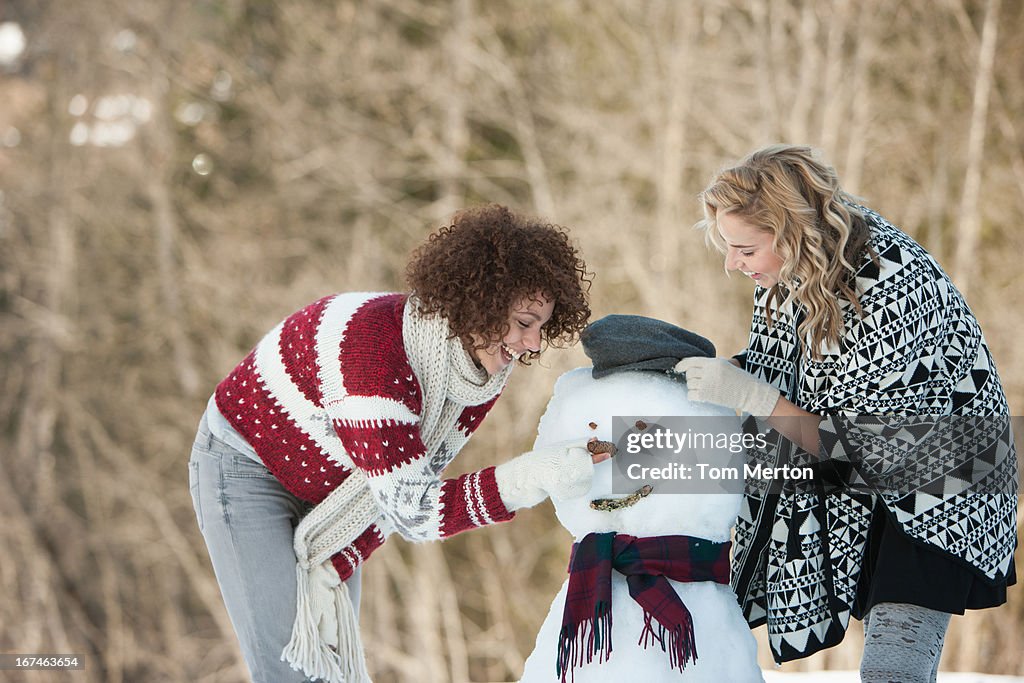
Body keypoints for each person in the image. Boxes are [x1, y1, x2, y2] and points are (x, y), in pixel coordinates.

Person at [187, 204, 601, 683]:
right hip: (246, 466)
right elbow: (416, 509)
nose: (532, 343)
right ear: (481, 304)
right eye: (524, 321)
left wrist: (336, 560)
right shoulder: (372, 358)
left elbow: (403, 488)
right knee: (291, 667)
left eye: (541, 328)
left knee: (334, 663)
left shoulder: (475, 376)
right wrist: (535, 476)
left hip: (334, 492)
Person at [675, 145, 1017, 682]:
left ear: (789, 233)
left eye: (743, 248)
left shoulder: (887, 283)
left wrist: (754, 398)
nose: (731, 264)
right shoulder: (799, 277)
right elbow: (787, 379)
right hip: (866, 477)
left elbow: (871, 447)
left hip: (943, 480)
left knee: (892, 671)